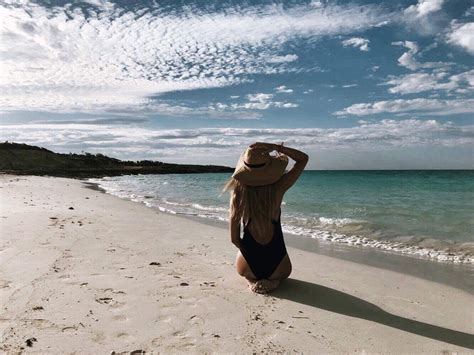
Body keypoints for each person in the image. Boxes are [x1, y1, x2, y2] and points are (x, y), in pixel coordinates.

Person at [223, 142, 308, 294]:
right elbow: (303, 159)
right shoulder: (279, 187)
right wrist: (277, 147)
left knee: (245, 266)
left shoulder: (237, 194)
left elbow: (234, 239)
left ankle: (251, 280)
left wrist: (250, 254)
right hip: (279, 266)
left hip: (247, 267)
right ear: (269, 167)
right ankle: (273, 281)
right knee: (281, 274)